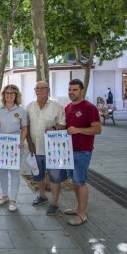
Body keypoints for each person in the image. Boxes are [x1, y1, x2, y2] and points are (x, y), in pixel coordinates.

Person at [26, 81, 67, 216]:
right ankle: (42, 196)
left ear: (48, 90)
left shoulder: (56, 106)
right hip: (35, 148)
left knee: (55, 177)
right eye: (37, 88)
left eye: (43, 88)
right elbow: (25, 127)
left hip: (52, 149)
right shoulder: (30, 106)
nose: (40, 90)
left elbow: (63, 124)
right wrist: (29, 144)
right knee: (38, 174)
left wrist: (54, 128)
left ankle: (54, 203)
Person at [65, 79, 101, 226]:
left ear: (81, 91)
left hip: (82, 150)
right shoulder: (67, 107)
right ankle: (78, 208)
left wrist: (78, 130)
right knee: (75, 181)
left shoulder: (89, 107)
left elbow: (97, 129)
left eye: (74, 90)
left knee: (81, 182)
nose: (71, 92)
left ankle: (82, 214)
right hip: (68, 150)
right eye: (70, 90)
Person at [0, 85, 28, 212]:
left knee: (15, 172)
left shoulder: (22, 110)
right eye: (7, 93)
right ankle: (4, 196)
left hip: (16, 144)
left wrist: (22, 140)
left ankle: (13, 199)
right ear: (3, 95)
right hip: (1, 144)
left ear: (16, 95)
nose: (9, 95)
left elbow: (24, 128)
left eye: (12, 93)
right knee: (3, 171)